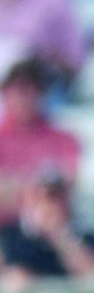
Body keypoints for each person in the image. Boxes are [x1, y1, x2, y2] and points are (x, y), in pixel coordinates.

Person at [0, 58, 80, 223]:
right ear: (5, 92)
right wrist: (36, 181)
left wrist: (16, 184)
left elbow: (68, 180)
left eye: (33, 90)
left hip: (52, 228)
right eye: (20, 90)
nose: (26, 98)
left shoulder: (64, 139)